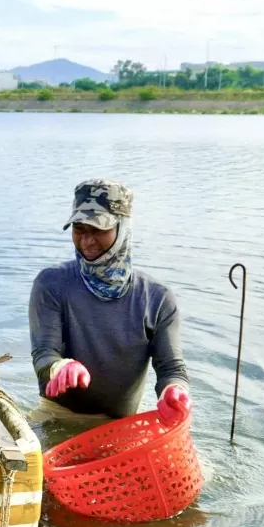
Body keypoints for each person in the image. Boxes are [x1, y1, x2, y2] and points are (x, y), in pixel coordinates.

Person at [29, 179, 191, 428]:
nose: (87, 240)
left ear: (123, 228)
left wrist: (174, 390)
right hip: (57, 416)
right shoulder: (51, 284)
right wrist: (58, 366)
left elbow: (171, 368)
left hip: (120, 426)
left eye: (99, 229)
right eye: (79, 228)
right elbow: (43, 352)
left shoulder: (158, 299)